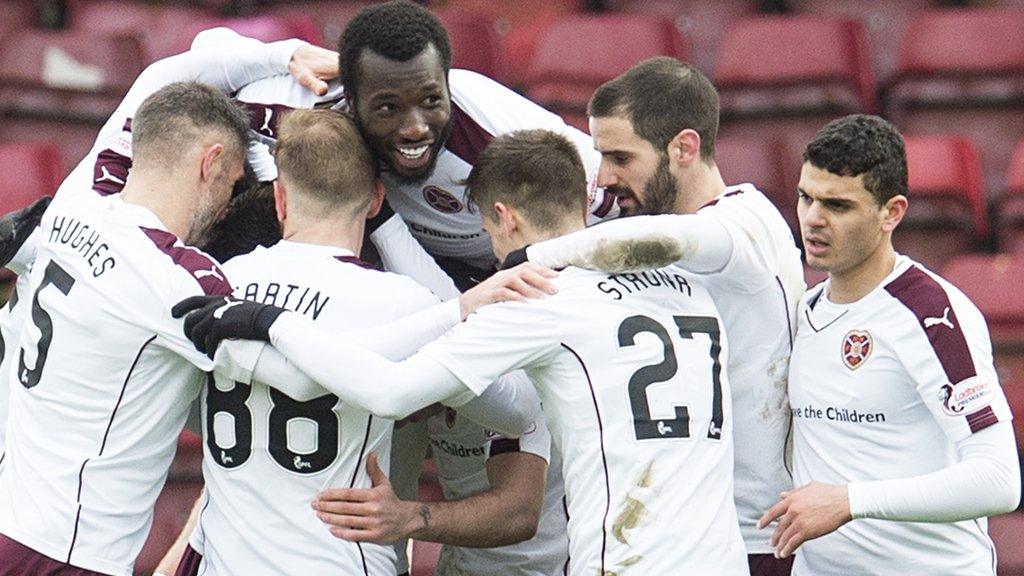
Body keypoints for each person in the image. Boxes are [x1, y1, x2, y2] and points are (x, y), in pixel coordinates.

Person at [174, 129, 750, 576]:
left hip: (616, 558)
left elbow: (387, 389)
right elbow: (519, 413)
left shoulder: (220, 281)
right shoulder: (687, 287)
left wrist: (272, 324)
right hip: (720, 555)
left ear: (503, 216)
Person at [166, 109, 555, 576]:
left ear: (280, 198)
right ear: (376, 201)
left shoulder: (218, 282)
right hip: (340, 559)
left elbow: (182, 405)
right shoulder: (403, 303)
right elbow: (516, 412)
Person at [511, 57, 804, 575]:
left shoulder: (748, 222)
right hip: (675, 540)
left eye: (620, 157)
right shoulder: (641, 224)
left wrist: (530, 257)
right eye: (600, 157)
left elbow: (671, 240)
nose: (604, 179)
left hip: (759, 537)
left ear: (685, 148)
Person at [0, 81, 254, 576]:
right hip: (66, 549)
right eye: (233, 181)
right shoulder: (177, 277)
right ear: (210, 162)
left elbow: (166, 70)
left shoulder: (66, 211)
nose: (229, 203)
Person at [757, 114, 1020, 575]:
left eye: (838, 206)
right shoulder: (801, 310)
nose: (813, 219)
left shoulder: (932, 313)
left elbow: (999, 481)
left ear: (891, 212)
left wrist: (850, 501)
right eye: (805, 197)